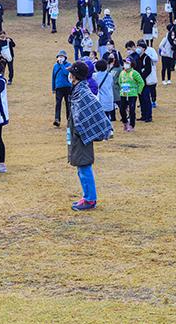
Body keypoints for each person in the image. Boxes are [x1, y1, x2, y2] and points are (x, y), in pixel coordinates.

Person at [67, 61, 112, 211]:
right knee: (80, 166)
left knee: (84, 166)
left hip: (82, 135)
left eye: (70, 73)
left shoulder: (83, 92)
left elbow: (94, 109)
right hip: (77, 134)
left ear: (74, 76)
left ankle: (90, 199)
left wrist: (81, 130)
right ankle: (86, 196)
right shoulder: (77, 90)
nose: (69, 75)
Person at [117, 55, 144, 132]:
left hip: (132, 94)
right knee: (122, 109)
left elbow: (141, 82)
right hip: (123, 93)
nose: (125, 64)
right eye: (124, 62)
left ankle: (132, 125)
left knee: (132, 110)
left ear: (131, 64)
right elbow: (120, 82)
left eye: (127, 63)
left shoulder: (134, 73)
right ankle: (125, 123)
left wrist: (138, 91)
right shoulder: (122, 73)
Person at [134, 40, 154, 122]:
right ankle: (143, 115)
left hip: (145, 82)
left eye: (140, 47)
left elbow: (148, 70)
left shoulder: (147, 58)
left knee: (146, 99)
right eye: (137, 47)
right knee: (141, 99)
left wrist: (141, 77)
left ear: (144, 49)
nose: (138, 48)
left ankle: (148, 116)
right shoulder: (137, 57)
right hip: (138, 82)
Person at [52, 50, 72, 128]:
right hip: (59, 88)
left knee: (68, 104)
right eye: (59, 57)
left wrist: (61, 65)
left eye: (62, 57)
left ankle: (69, 120)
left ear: (65, 58)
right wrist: (53, 88)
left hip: (67, 87)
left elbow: (66, 73)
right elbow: (53, 77)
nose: (60, 58)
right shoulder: (55, 66)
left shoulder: (69, 65)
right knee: (58, 104)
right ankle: (57, 119)